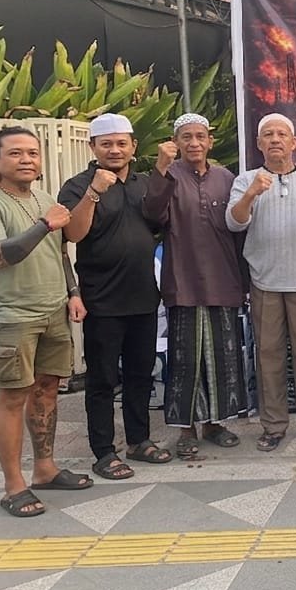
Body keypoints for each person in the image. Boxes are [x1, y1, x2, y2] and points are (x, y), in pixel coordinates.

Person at [0, 126, 91, 517]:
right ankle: (13, 486)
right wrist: (45, 224)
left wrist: (73, 292)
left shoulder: (43, 198)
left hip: (52, 309)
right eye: (16, 153)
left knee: (48, 390)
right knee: (12, 397)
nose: (26, 160)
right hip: (11, 316)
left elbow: (59, 251)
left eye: (33, 153)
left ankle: (45, 469)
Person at [59, 113, 171, 481]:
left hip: (143, 296)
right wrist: (94, 192)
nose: (115, 150)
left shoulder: (143, 184)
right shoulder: (77, 186)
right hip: (101, 299)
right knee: (103, 380)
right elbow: (73, 235)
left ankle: (139, 440)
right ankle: (104, 451)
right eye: (106, 143)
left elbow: (159, 224)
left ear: (133, 146)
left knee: (140, 374)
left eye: (122, 143)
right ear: (93, 147)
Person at [144, 113, 248, 461]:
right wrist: (161, 169)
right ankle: (185, 429)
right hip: (183, 280)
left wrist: (244, 282)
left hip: (223, 279)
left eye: (200, 136)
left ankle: (214, 425)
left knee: (222, 357)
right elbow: (153, 216)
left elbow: (238, 231)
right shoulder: (168, 176)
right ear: (176, 141)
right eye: (186, 137)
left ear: (210, 141)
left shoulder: (226, 178)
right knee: (185, 359)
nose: (194, 143)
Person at [228, 113, 296, 451]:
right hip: (265, 283)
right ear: (259, 144)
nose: (275, 139)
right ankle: (273, 425)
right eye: (268, 135)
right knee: (268, 356)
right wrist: (252, 194)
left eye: (282, 134)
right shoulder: (247, 180)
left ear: (294, 142)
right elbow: (234, 223)